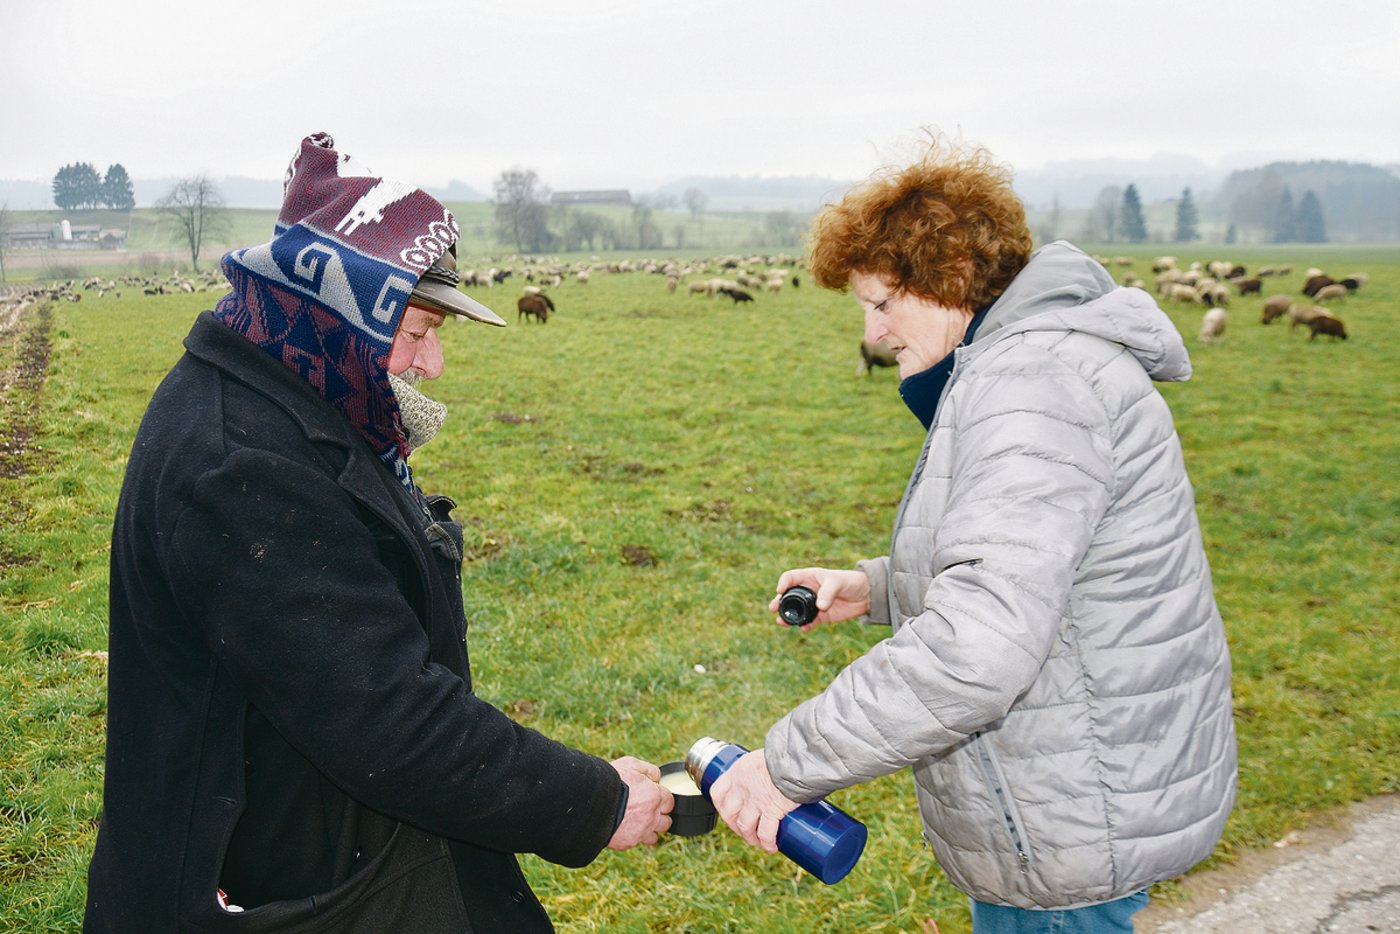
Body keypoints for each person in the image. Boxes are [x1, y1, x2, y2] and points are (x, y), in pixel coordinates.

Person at [85, 133, 672, 933]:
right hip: (287, 892)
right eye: (417, 331)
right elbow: (387, 720)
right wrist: (594, 803)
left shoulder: (305, 401)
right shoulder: (239, 467)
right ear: (338, 317)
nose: (432, 366)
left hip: (337, 845)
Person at [709, 141, 1237, 933]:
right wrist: (878, 586)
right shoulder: (1039, 365)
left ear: (950, 276)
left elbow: (978, 647)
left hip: (1067, 818)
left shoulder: (1032, 385)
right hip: (1077, 787)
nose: (874, 330)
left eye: (883, 303)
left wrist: (786, 767)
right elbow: (1043, 563)